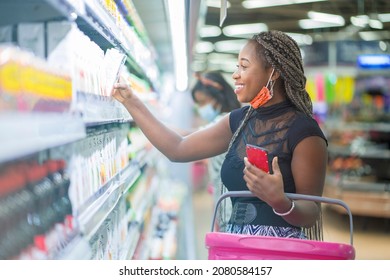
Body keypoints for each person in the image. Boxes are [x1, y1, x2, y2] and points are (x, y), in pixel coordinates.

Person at [112, 30, 328, 240]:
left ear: (274, 72)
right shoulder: (238, 120)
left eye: (244, 66)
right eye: (237, 67)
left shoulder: (304, 132)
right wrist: (131, 101)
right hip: (233, 247)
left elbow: (311, 213)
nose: (235, 75)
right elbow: (177, 148)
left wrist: (280, 201)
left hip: (279, 253)